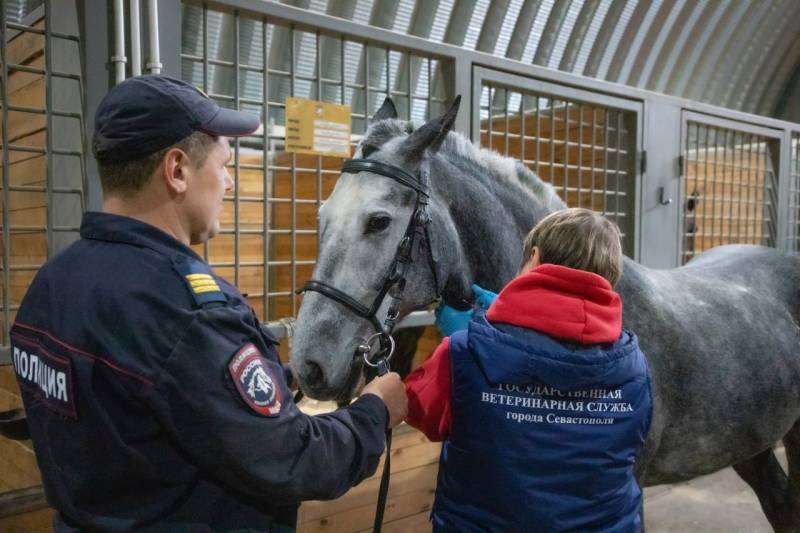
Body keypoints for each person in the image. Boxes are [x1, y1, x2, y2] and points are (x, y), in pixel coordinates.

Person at [9, 74, 407, 532]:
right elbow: (296, 460)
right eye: (223, 165)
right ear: (177, 170)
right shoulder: (188, 311)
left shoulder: (51, 285)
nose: (230, 183)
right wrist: (376, 412)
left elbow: (152, 407)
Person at [405, 208, 652, 532]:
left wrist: (464, 348)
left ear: (534, 258)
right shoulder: (635, 368)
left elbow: (417, 409)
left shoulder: (463, 352)